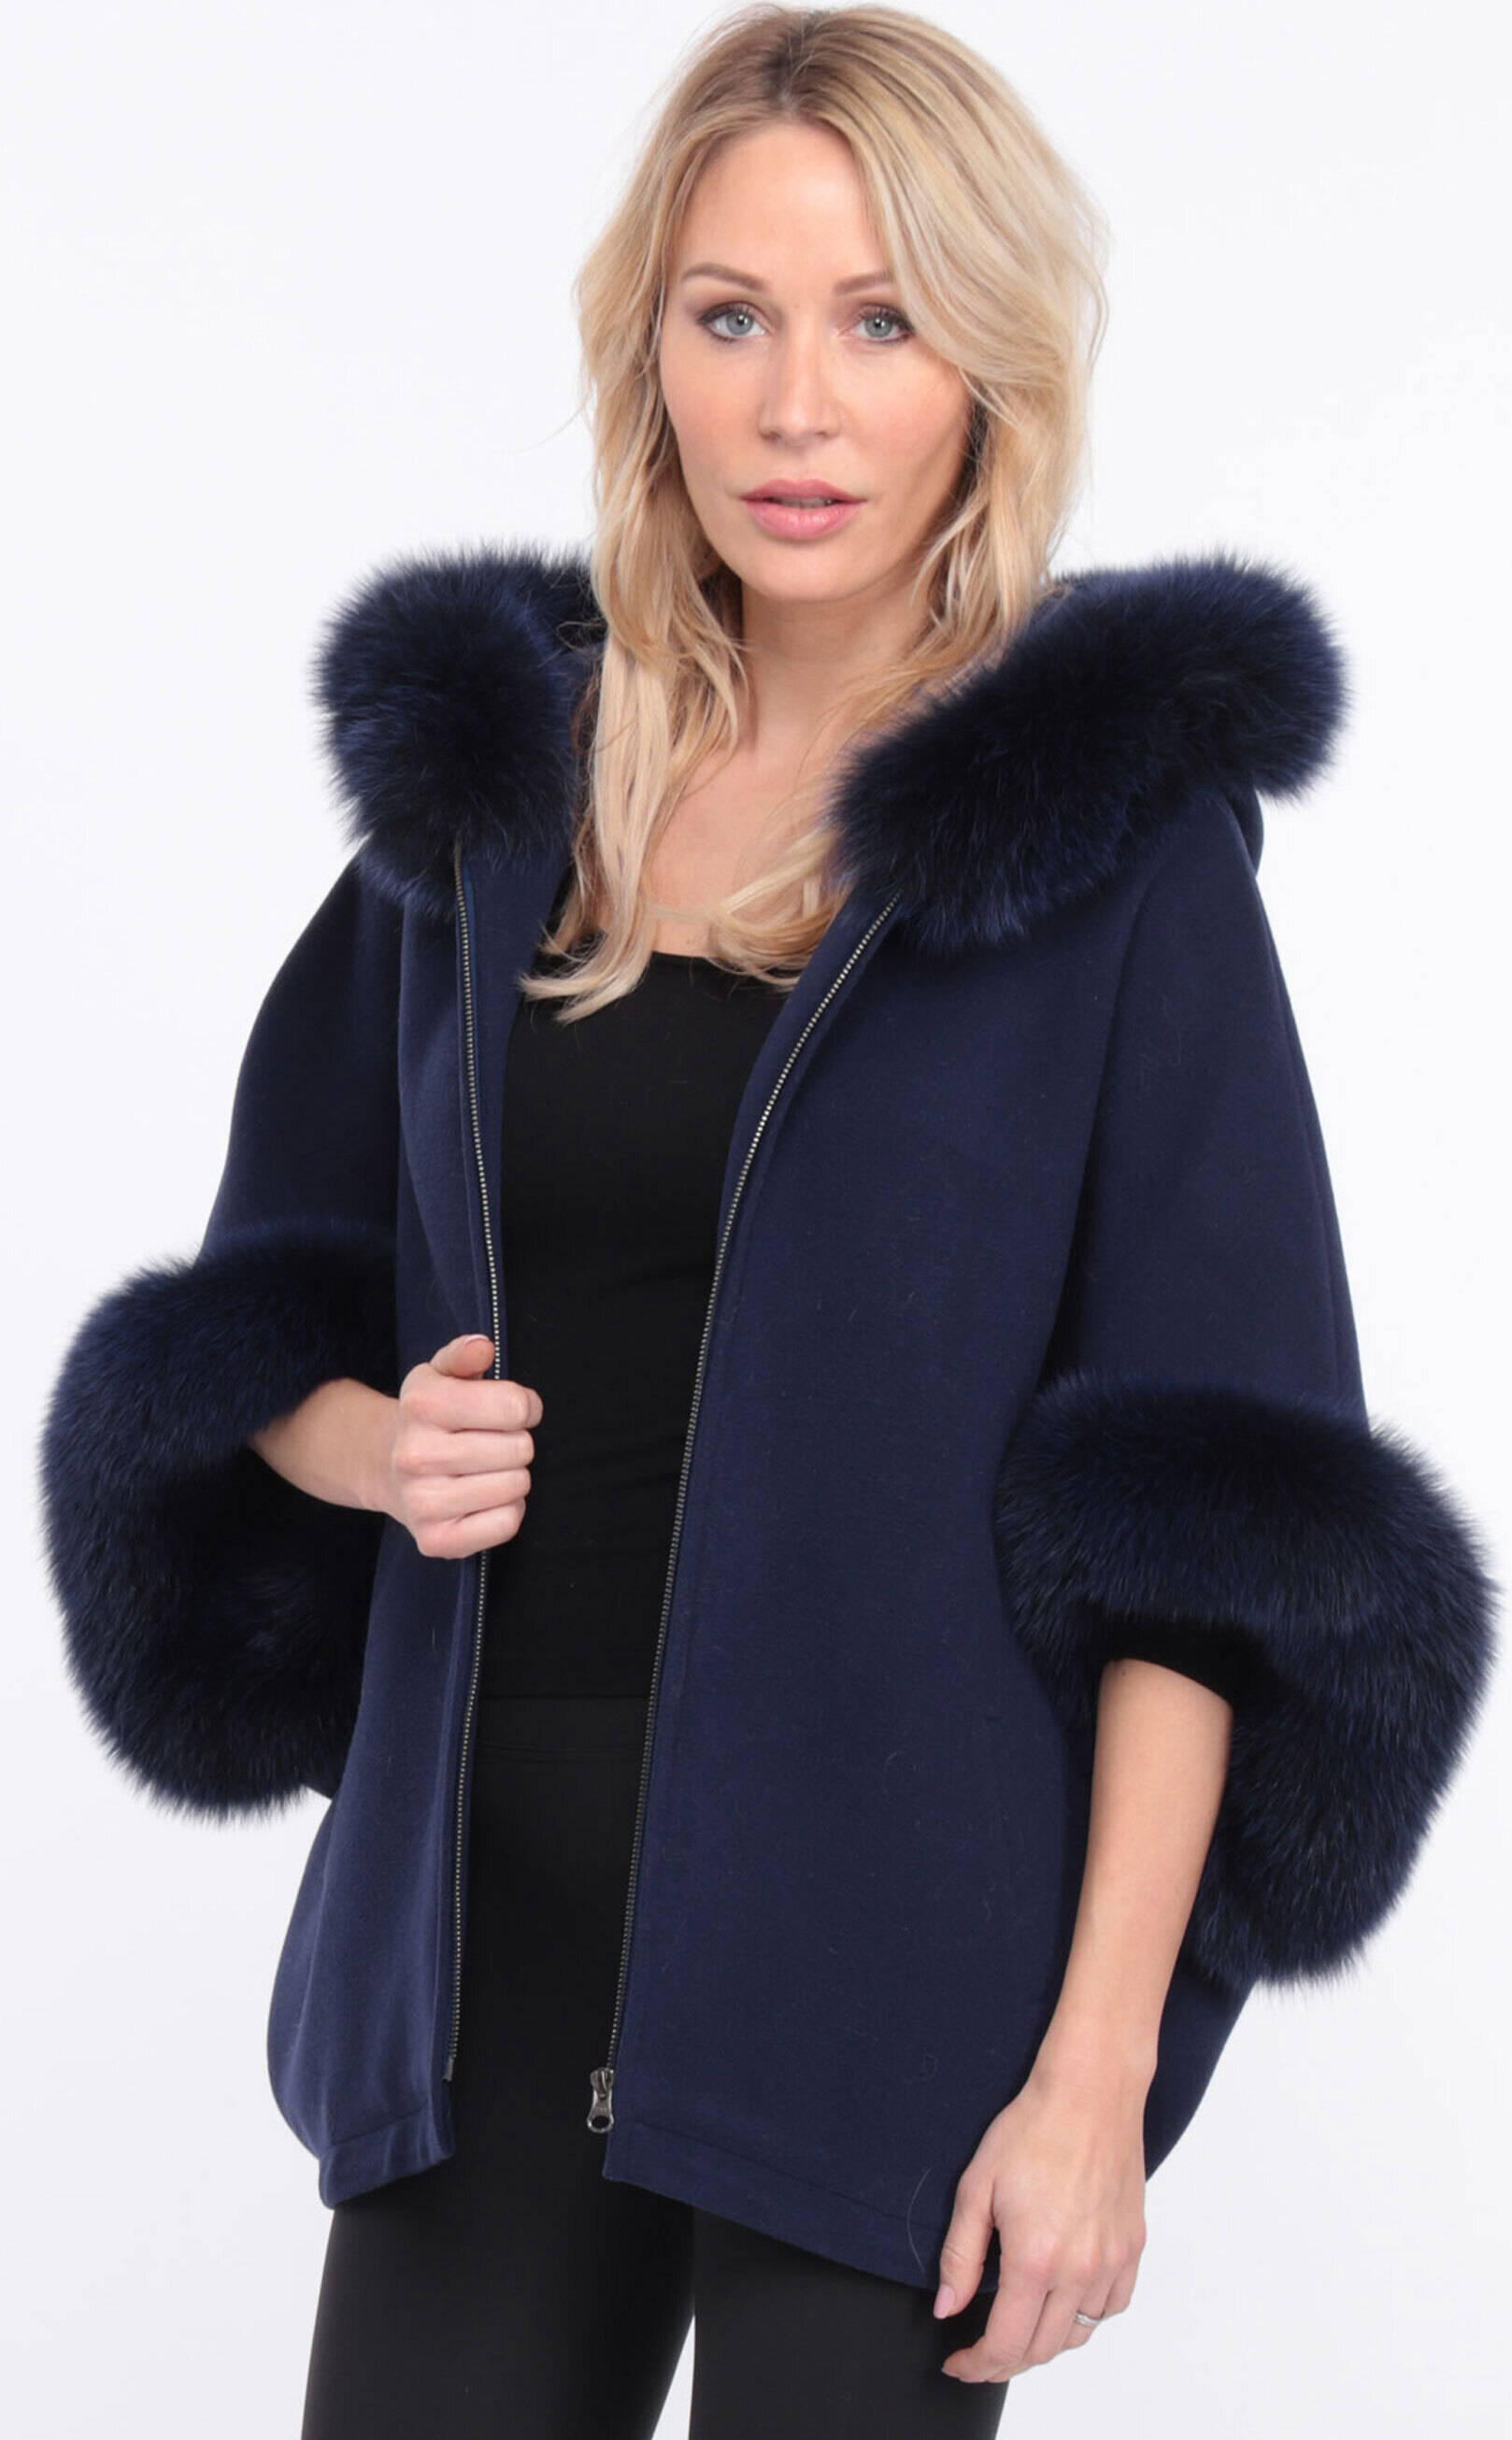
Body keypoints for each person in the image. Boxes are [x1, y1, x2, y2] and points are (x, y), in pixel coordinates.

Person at [37, 8, 1497, 2435]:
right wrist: (366, 1443)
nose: (796, 406)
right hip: (478, 1943)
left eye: (878, 320)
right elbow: (255, 1325)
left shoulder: (1111, 853)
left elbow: (1209, 1533)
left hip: (894, 1963)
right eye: (732, 316)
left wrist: (1094, 2077)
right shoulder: (495, 802)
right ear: (652, 351)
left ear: (986, 369)